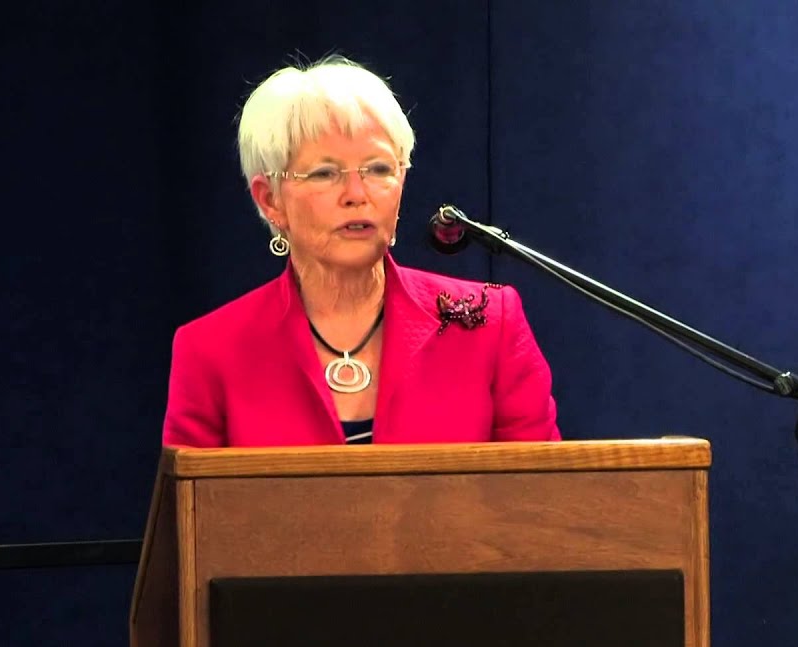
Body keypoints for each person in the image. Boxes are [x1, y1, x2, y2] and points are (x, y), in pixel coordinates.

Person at [162, 56, 559, 447]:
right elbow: (191, 490)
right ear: (270, 200)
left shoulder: (490, 325)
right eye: (324, 173)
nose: (356, 194)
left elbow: (541, 485)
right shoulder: (210, 351)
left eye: (379, 169)